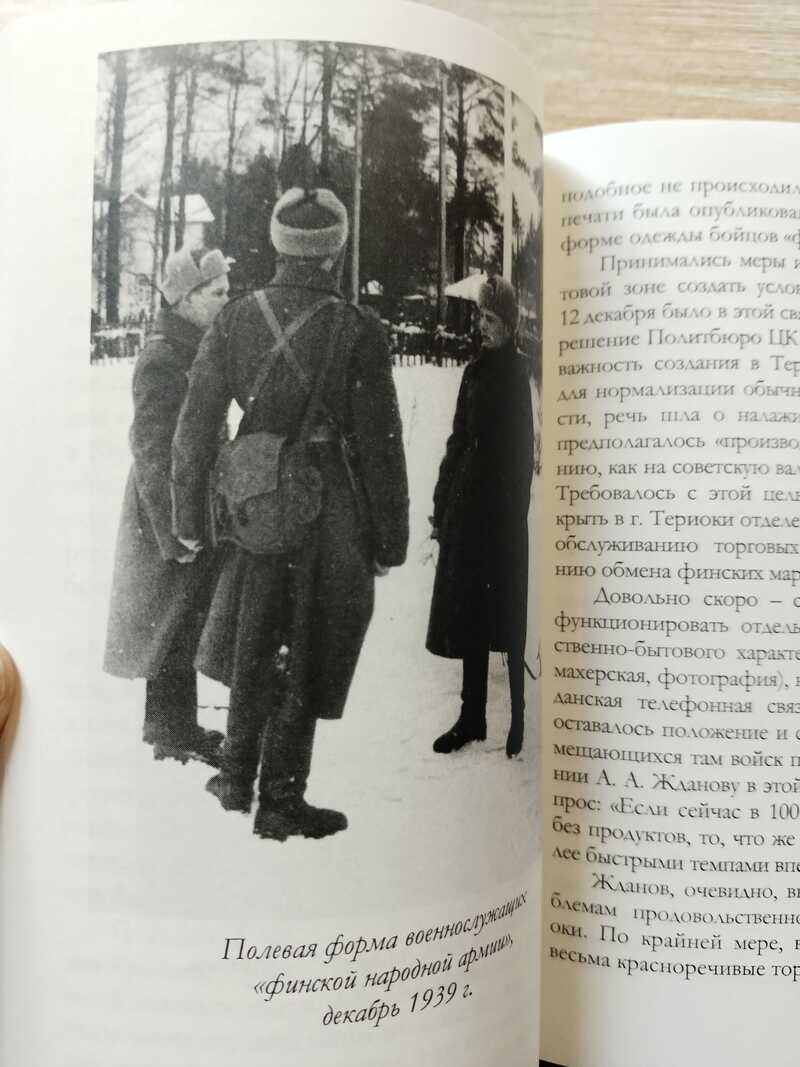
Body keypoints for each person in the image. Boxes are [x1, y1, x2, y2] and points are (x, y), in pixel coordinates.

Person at [171, 184, 409, 841]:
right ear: (334, 251)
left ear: (278, 244)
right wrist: (389, 539)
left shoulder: (234, 318)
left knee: (253, 632)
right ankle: (280, 799)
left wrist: (189, 517)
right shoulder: (358, 329)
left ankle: (234, 779)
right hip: (330, 508)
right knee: (306, 643)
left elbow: (194, 429)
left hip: (254, 501)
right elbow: (380, 445)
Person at [103, 246, 231, 765]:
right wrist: (173, 528)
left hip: (187, 497)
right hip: (165, 502)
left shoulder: (193, 344)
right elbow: (152, 447)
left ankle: (174, 727)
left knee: (180, 614)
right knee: (170, 617)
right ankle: (169, 730)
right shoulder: (164, 355)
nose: (226, 300)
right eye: (217, 293)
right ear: (187, 298)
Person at [426, 275, 533, 759]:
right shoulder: (472, 373)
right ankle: (472, 718)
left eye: (490, 319)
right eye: (480, 317)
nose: (482, 326)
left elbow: (521, 459)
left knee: (507, 618)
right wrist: (441, 503)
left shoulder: (516, 376)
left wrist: (511, 519)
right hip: (466, 510)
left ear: (509, 324)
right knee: (469, 614)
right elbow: (457, 440)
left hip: (500, 519)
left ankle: (518, 718)